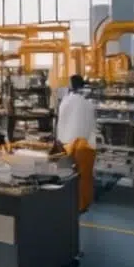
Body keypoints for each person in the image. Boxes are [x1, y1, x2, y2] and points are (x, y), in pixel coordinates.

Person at [57, 74, 97, 212]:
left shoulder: (66, 101)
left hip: (66, 143)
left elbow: (61, 121)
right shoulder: (88, 103)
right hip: (84, 145)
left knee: (67, 174)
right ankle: (83, 203)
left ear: (71, 85)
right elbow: (91, 124)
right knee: (84, 176)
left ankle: (68, 201)